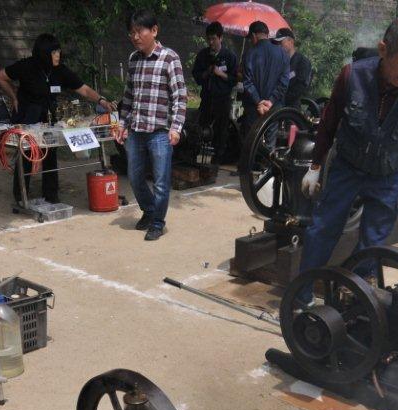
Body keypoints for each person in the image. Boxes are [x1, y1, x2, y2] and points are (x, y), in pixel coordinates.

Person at [297, 17, 398, 297]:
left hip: (389, 173)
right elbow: (328, 123)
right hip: (347, 168)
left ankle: (357, 298)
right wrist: (314, 166)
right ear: (384, 50)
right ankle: (299, 298)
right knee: (322, 230)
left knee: (374, 242)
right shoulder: (352, 76)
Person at [0, 34, 115, 205]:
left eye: (58, 51)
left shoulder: (60, 70)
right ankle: (21, 195)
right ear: (44, 54)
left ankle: (51, 194)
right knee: (28, 153)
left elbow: (84, 89)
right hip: (28, 118)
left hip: (49, 118)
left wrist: (101, 100)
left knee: (50, 154)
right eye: (54, 52)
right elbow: (0, 76)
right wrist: (14, 97)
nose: (58, 55)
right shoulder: (25, 66)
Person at [113, 9, 187, 242]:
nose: (135, 36)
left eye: (140, 31)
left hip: (160, 133)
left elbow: (180, 96)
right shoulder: (133, 59)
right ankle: (148, 210)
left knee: (161, 181)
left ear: (154, 31)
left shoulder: (169, 58)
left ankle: (157, 223)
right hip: (136, 130)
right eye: (131, 32)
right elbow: (128, 96)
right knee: (134, 177)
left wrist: (175, 127)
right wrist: (122, 124)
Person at [192, 21, 238, 166]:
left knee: (221, 130)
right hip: (206, 97)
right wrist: (207, 72)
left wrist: (220, 74)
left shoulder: (229, 56)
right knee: (199, 128)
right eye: (209, 39)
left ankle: (217, 160)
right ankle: (193, 155)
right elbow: (197, 76)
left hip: (223, 99)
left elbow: (234, 79)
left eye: (214, 39)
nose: (211, 42)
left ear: (220, 38)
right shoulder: (203, 55)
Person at [241, 21, 290, 130]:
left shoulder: (249, 54)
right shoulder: (283, 54)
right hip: (273, 108)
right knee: (270, 142)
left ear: (254, 35)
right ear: (267, 34)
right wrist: (270, 101)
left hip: (253, 108)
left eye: (250, 38)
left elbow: (247, 82)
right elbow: (284, 83)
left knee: (251, 141)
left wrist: (259, 102)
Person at [275, 28, 313, 108]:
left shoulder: (303, 62)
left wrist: (280, 100)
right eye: (277, 43)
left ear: (291, 41)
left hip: (290, 108)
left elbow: (300, 87)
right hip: (274, 105)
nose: (278, 45)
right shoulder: (277, 61)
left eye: (281, 42)